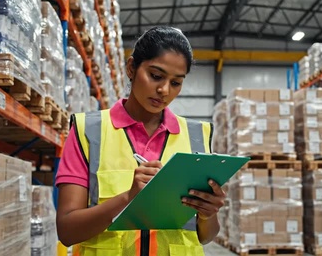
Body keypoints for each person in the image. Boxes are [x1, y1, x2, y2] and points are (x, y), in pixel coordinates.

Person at [55, 26, 226, 256]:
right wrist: (128, 198)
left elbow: (206, 236)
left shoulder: (196, 135)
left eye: (176, 83)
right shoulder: (89, 131)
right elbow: (67, 230)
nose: (164, 90)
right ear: (131, 68)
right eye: (156, 76)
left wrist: (208, 214)